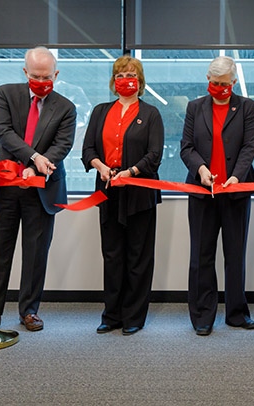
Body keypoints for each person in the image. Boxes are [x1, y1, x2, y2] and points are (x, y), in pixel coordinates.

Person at [0, 46, 76, 333]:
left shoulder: (66, 107)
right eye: (36, 75)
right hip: (3, 186)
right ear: (25, 72)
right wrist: (33, 158)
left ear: (56, 74)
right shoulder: (5, 94)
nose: (41, 81)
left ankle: (29, 311)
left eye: (47, 76)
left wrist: (40, 165)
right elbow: (3, 131)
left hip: (42, 189)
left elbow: (62, 145)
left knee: (36, 253)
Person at [81, 55, 164, 336]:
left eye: (131, 74)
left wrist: (130, 172)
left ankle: (134, 317)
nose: (125, 79)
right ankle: (111, 315)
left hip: (140, 192)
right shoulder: (100, 111)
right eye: (120, 74)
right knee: (113, 254)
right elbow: (88, 150)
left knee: (138, 256)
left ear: (140, 82)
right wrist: (101, 167)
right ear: (113, 81)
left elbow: (154, 155)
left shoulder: (151, 113)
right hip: (108, 191)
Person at [180, 56, 254, 336]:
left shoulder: (248, 107)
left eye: (225, 84)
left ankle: (237, 313)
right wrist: (201, 169)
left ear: (234, 82)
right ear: (207, 81)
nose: (220, 88)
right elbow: (186, 147)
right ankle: (202, 315)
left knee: (235, 254)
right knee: (201, 254)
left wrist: (236, 177)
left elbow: (250, 146)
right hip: (202, 192)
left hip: (236, 192)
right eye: (215, 83)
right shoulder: (195, 107)